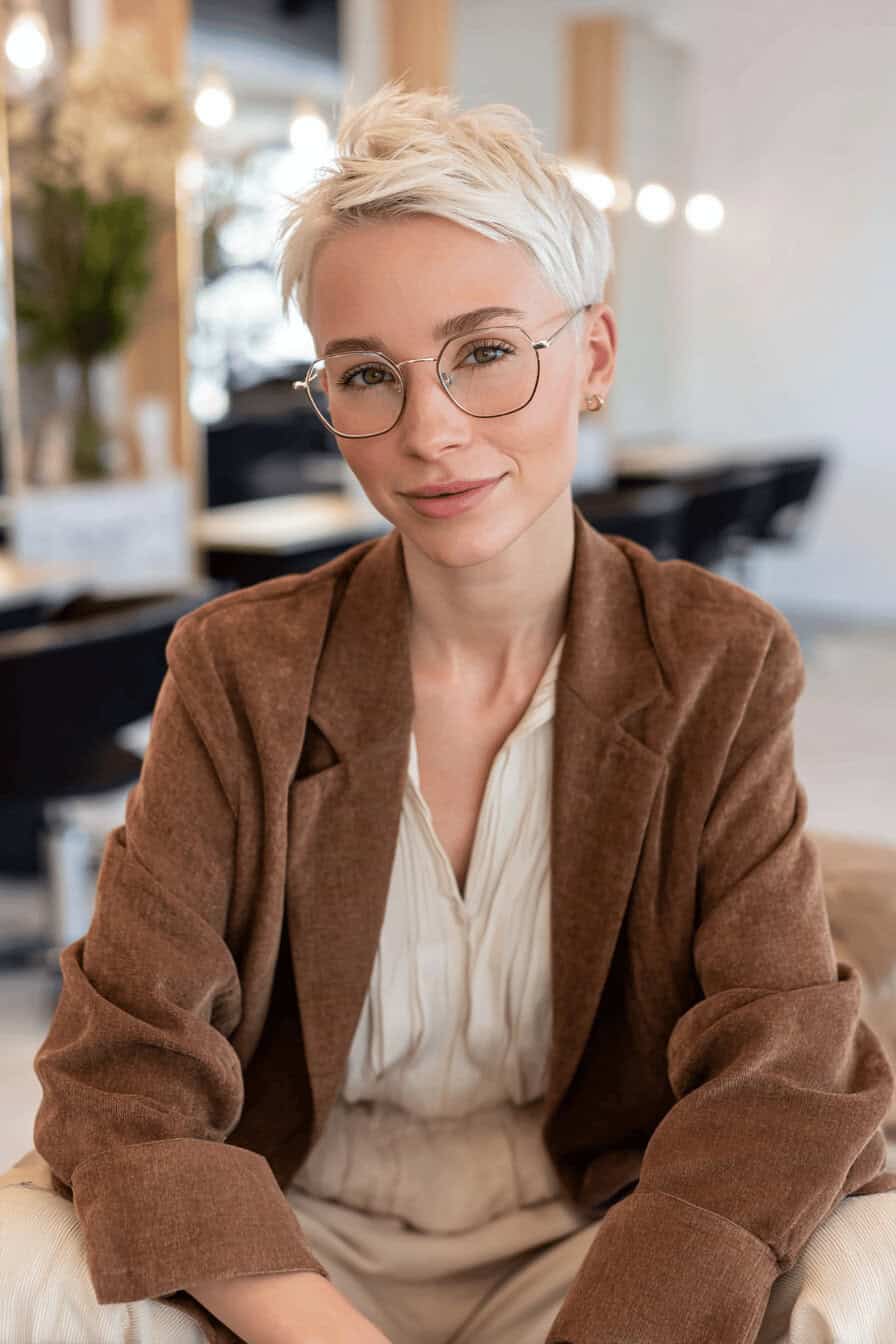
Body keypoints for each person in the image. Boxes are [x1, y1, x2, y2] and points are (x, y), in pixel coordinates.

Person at [2, 80, 896, 1344]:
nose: (429, 433)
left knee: (875, 1263)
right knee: (13, 1258)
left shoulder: (713, 654)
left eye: (483, 352)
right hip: (290, 1239)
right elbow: (118, 1077)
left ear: (587, 357)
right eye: (367, 376)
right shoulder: (239, 665)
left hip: (595, 1236)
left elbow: (783, 1067)